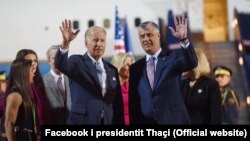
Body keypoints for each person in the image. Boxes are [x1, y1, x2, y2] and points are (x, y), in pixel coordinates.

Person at [129, 15, 198, 124]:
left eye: (149, 35)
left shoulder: (173, 58)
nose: (146, 39)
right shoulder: (135, 68)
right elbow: (134, 102)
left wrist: (184, 40)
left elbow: (192, 62)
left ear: (158, 35)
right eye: (142, 36)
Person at [54, 19, 124, 124]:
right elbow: (60, 65)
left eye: (102, 40)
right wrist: (65, 43)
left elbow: (117, 104)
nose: (99, 44)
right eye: (95, 40)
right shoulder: (77, 62)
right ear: (86, 44)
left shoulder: (112, 70)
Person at [181, 48, 222, 124]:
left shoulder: (210, 85)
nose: (182, 64)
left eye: (185, 61)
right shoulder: (182, 84)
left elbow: (216, 116)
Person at [4, 59, 39, 141]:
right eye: (31, 70)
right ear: (24, 73)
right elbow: (8, 124)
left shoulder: (24, 93)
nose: (34, 73)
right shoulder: (15, 95)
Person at [16, 49, 51, 127]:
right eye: (29, 61)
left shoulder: (39, 84)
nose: (33, 64)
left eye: (35, 61)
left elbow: (45, 111)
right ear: (20, 63)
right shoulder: (16, 87)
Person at [43, 45, 71, 124]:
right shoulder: (42, 82)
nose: (59, 61)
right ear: (49, 60)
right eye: (55, 58)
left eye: (61, 58)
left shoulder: (71, 79)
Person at [111, 53, 135, 125]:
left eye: (132, 65)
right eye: (127, 65)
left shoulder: (136, 85)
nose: (131, 67)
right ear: (118, 66)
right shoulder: (110, 86)